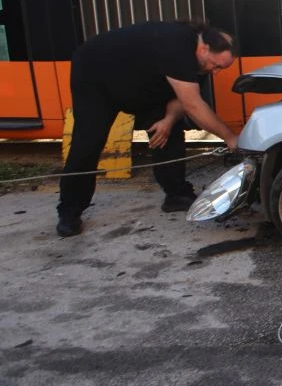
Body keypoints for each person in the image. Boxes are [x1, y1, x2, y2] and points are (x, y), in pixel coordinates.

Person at [56, 20, 241, 237]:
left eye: (221, 68)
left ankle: (176, 194)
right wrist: (230, 137)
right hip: (98, 79)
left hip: (145, 85)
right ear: (204, 48)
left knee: (166, 130)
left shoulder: (200, 62)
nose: (216, 72)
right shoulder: (177, 45)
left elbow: (179, 100)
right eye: (216, 65)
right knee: (88, 142)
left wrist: (168, 120)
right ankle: (69, 211)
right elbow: (193, 105)